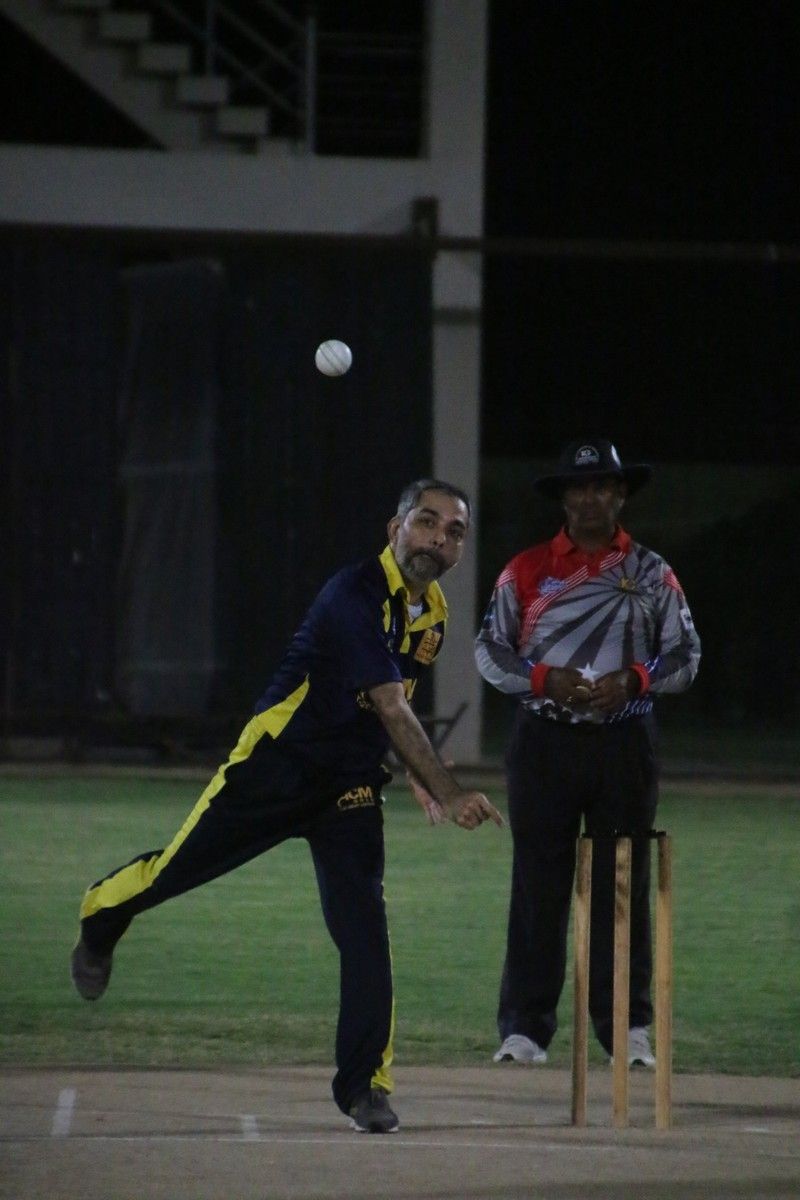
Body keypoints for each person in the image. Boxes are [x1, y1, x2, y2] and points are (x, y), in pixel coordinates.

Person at [71, 479, 503, 1134]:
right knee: (174, 872)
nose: (438, 539)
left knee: (365, 932)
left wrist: (417, 773)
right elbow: (389, 703)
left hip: (349, 785)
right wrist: (447, 788)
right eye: (426, 522)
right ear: (395, 529)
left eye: (454, 532)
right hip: (276, 766)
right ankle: (100, 915)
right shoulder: (353, 594)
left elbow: (398, 699)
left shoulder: (433, 614)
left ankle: (365, 1086)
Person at [475, 439, 700, 1068]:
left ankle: (626, 1029)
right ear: (564, 498)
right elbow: (489, 651)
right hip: (543, 743)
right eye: (579, 487)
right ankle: (525, 1030)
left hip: (624, 744)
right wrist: (543, 679)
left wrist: (636, 679)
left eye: (602, 486)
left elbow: (687, 655)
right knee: (538, 884)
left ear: (620, 495)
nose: (590, 498)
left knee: (620, 883)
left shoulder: (652, 572)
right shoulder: (525, 570)